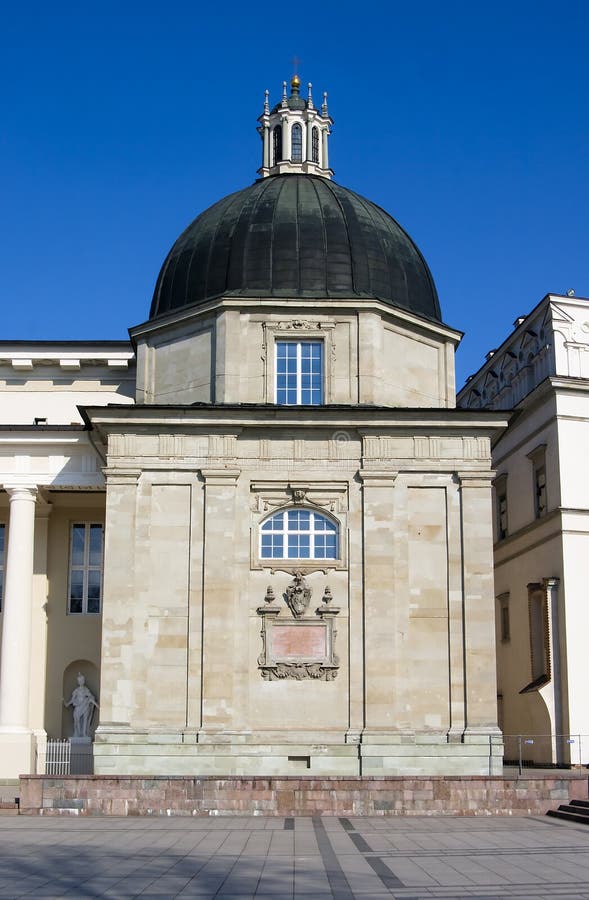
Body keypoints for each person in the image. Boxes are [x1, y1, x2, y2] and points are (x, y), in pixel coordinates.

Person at [64, 673, 99, 738]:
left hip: (85, 706)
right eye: (80, 681)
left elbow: (91, 696)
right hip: (78, 706)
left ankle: (84, 734)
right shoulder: (76, 690)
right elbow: (72, 699)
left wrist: (95, 704)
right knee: (77, 721)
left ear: (84, 681)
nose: (81, 682)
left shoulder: (86, 689)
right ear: (78, 682)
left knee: (85, 720)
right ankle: (77, 734)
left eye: (82, 680)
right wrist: (67, 704)